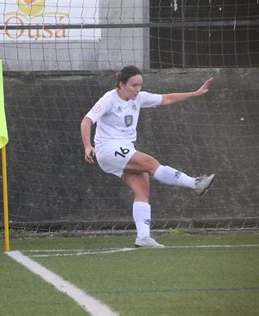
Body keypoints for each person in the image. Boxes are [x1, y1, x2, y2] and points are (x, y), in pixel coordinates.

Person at [80, 65, 215, 248]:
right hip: (108, 149)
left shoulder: (140, 98)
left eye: (140, 85)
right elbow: (86, 121)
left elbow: (166, 99)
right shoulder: (108, 99)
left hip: (124, 150)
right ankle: (195, 183)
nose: (138, 89)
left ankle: (143, 237)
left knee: (143, 189)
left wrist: (194, 93)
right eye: (134, 85)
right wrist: (88, 146)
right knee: (151, 163)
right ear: (121, 84)